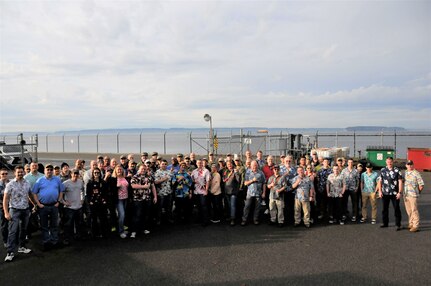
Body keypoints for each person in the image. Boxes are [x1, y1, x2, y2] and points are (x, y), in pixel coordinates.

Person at [31, 163, 65, 250]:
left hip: (54, 205)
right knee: (44, 225)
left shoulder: (57, 179)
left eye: (51, 169)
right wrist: (38, 204)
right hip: (43, 206)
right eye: (47, 169)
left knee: (54, 225)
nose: (49, 171)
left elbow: (61, 191)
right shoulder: (40, 180)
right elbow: (34, 192)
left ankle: (54, 241)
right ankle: (46, 242)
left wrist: (59, 201)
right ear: (45, 171)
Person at [3, 166, 32, 262]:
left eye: (21, 172)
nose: (20, 173)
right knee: (13, 231)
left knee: (24, 229)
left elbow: (30, 195)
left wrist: (35, 204)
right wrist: (6, 212)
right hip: (14, 210)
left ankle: (22, 247)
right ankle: (10, 252)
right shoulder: (10, 184)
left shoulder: (27, 183)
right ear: (15, 173)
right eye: (18, 172)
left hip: (25, 209)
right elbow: (6, 199)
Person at [130, 165, 157, 238]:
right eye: (142, 169)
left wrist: (155, 196)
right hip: (138, 199)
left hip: (147, 199)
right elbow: (133, 185)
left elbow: (153, 186)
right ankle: (134, 231)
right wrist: (144, 187)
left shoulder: (149, 177)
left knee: (146, 214)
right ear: (139, 169)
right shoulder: (135, 176)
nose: (143, 170)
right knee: (137, 215)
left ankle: (144, 228)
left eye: (144, 169)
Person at [60, 169, 84, 245]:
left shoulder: (80, 182)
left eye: (77, 174)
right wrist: (64, 202)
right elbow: (60, 194)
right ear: (71, 174)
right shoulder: (65, 183)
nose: (75, 175)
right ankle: (66, 238)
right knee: (68, 224)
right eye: (74, 174)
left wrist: (82, 199)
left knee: (79, 223)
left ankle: (78, 236)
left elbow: (83, 191)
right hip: (69, 208)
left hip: (78, 207)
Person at [378, 157, 403, 231]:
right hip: (385, 193)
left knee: (396, 209)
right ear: (386, 162)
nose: (389, 163)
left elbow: (400, 181)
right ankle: (385, 223)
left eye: (390, 161)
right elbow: (380, 181)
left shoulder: (397, 170)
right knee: (384, 209)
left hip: (395, 193)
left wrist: (399, 192)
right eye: (388, 161)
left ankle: (398, 224)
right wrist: (379, 191)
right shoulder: (383, 170)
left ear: (393, 162)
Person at [241, 161, 266, 226]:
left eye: (255, 165)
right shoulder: (248, 172)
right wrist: (252, 180)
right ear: (251, 166)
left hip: (258, 193)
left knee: (257, 207)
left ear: (257, 165)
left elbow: (264, 183)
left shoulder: (261, 173)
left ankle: (255, 219)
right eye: (253, 165)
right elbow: (245, 183)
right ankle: (244, 220)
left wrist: (264, 193)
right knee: (247, 206)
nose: (254, 167)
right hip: (250, 193)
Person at [403, 160, 425, 232]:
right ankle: (411, 223)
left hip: (413, 195)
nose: (409, 166)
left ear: (413, 165)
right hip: (406, 194)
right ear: (406, 165)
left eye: (411, 164)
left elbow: (421, 185)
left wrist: (417, 192)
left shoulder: (416, 173)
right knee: (409, 211)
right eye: (408, 164)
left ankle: (416, 226)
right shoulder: (406, 172)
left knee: (414, 210)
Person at [86, 167, 108, 238]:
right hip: (93, 204)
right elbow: (88, 194)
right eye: (95, 172)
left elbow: (106, 193)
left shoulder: (103, 182)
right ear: (92, 173)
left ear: (100, 174)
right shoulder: (90, 183)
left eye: (98, 173)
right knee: (94, 219)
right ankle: (94, 234)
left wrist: (105, 201)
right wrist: (90, 202)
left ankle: (103, 233)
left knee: (103, 219)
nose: (96, 174)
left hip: (102, 203)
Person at [191, 160, 211, 226]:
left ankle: (205, 221)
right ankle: (199, 219)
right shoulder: (194, 171)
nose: (199, 164)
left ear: (203, 164)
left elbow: (208, 181)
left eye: (201, 163)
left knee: (204, 206)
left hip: (203, 191)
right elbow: (192, 179)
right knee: (198, 206)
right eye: (198, 163)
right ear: (196, 164)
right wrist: (194, 181)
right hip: (196, 191)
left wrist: (207, 190)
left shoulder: (206, 171)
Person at [154, 159, 173, 225]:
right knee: (159, 207)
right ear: (160, 165)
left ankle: (168, 219)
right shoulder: (157, 172)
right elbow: (155, 182)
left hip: (168, 192)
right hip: (161, 193)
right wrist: (163, 179)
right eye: (162, 164)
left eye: (165, 164)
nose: (164, 165)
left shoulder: (169, 172)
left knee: (168, 207)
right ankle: (158, 220)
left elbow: (171, 181)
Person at [341, 158, 360, 222]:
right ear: (347, 163)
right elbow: (341, 179)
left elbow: (358, 180)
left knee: (354, 203)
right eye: (349, 162)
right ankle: (344, 214)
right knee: (344, 202)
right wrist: (342, 188)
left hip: (353, 188)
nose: (350, 163)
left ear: (353, 163)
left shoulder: (356, 171)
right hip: (345, 188)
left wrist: (357, 187)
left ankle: (354, 215)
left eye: (351, 162)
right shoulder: (344, 170)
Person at [223, 160, 241, 226]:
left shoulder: (235, 171)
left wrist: (236, 173)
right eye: (228, 164)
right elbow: (224, 180)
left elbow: (238, 180)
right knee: (229, 205)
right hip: (227, 192)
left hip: (233, 192)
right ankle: (231, 217)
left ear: (232, 165)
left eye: (230, 164)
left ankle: (233, 219)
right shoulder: (226, 172)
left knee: (232, 206)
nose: (229, 165)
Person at [1, 168, 10, 248]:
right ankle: (6, 240)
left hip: (12, 206)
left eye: (6, 174)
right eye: (3, 174)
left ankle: (13, 239)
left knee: (14, 224)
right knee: (4, 225)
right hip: (2, 208)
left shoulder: (11, 183)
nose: (4, 175)